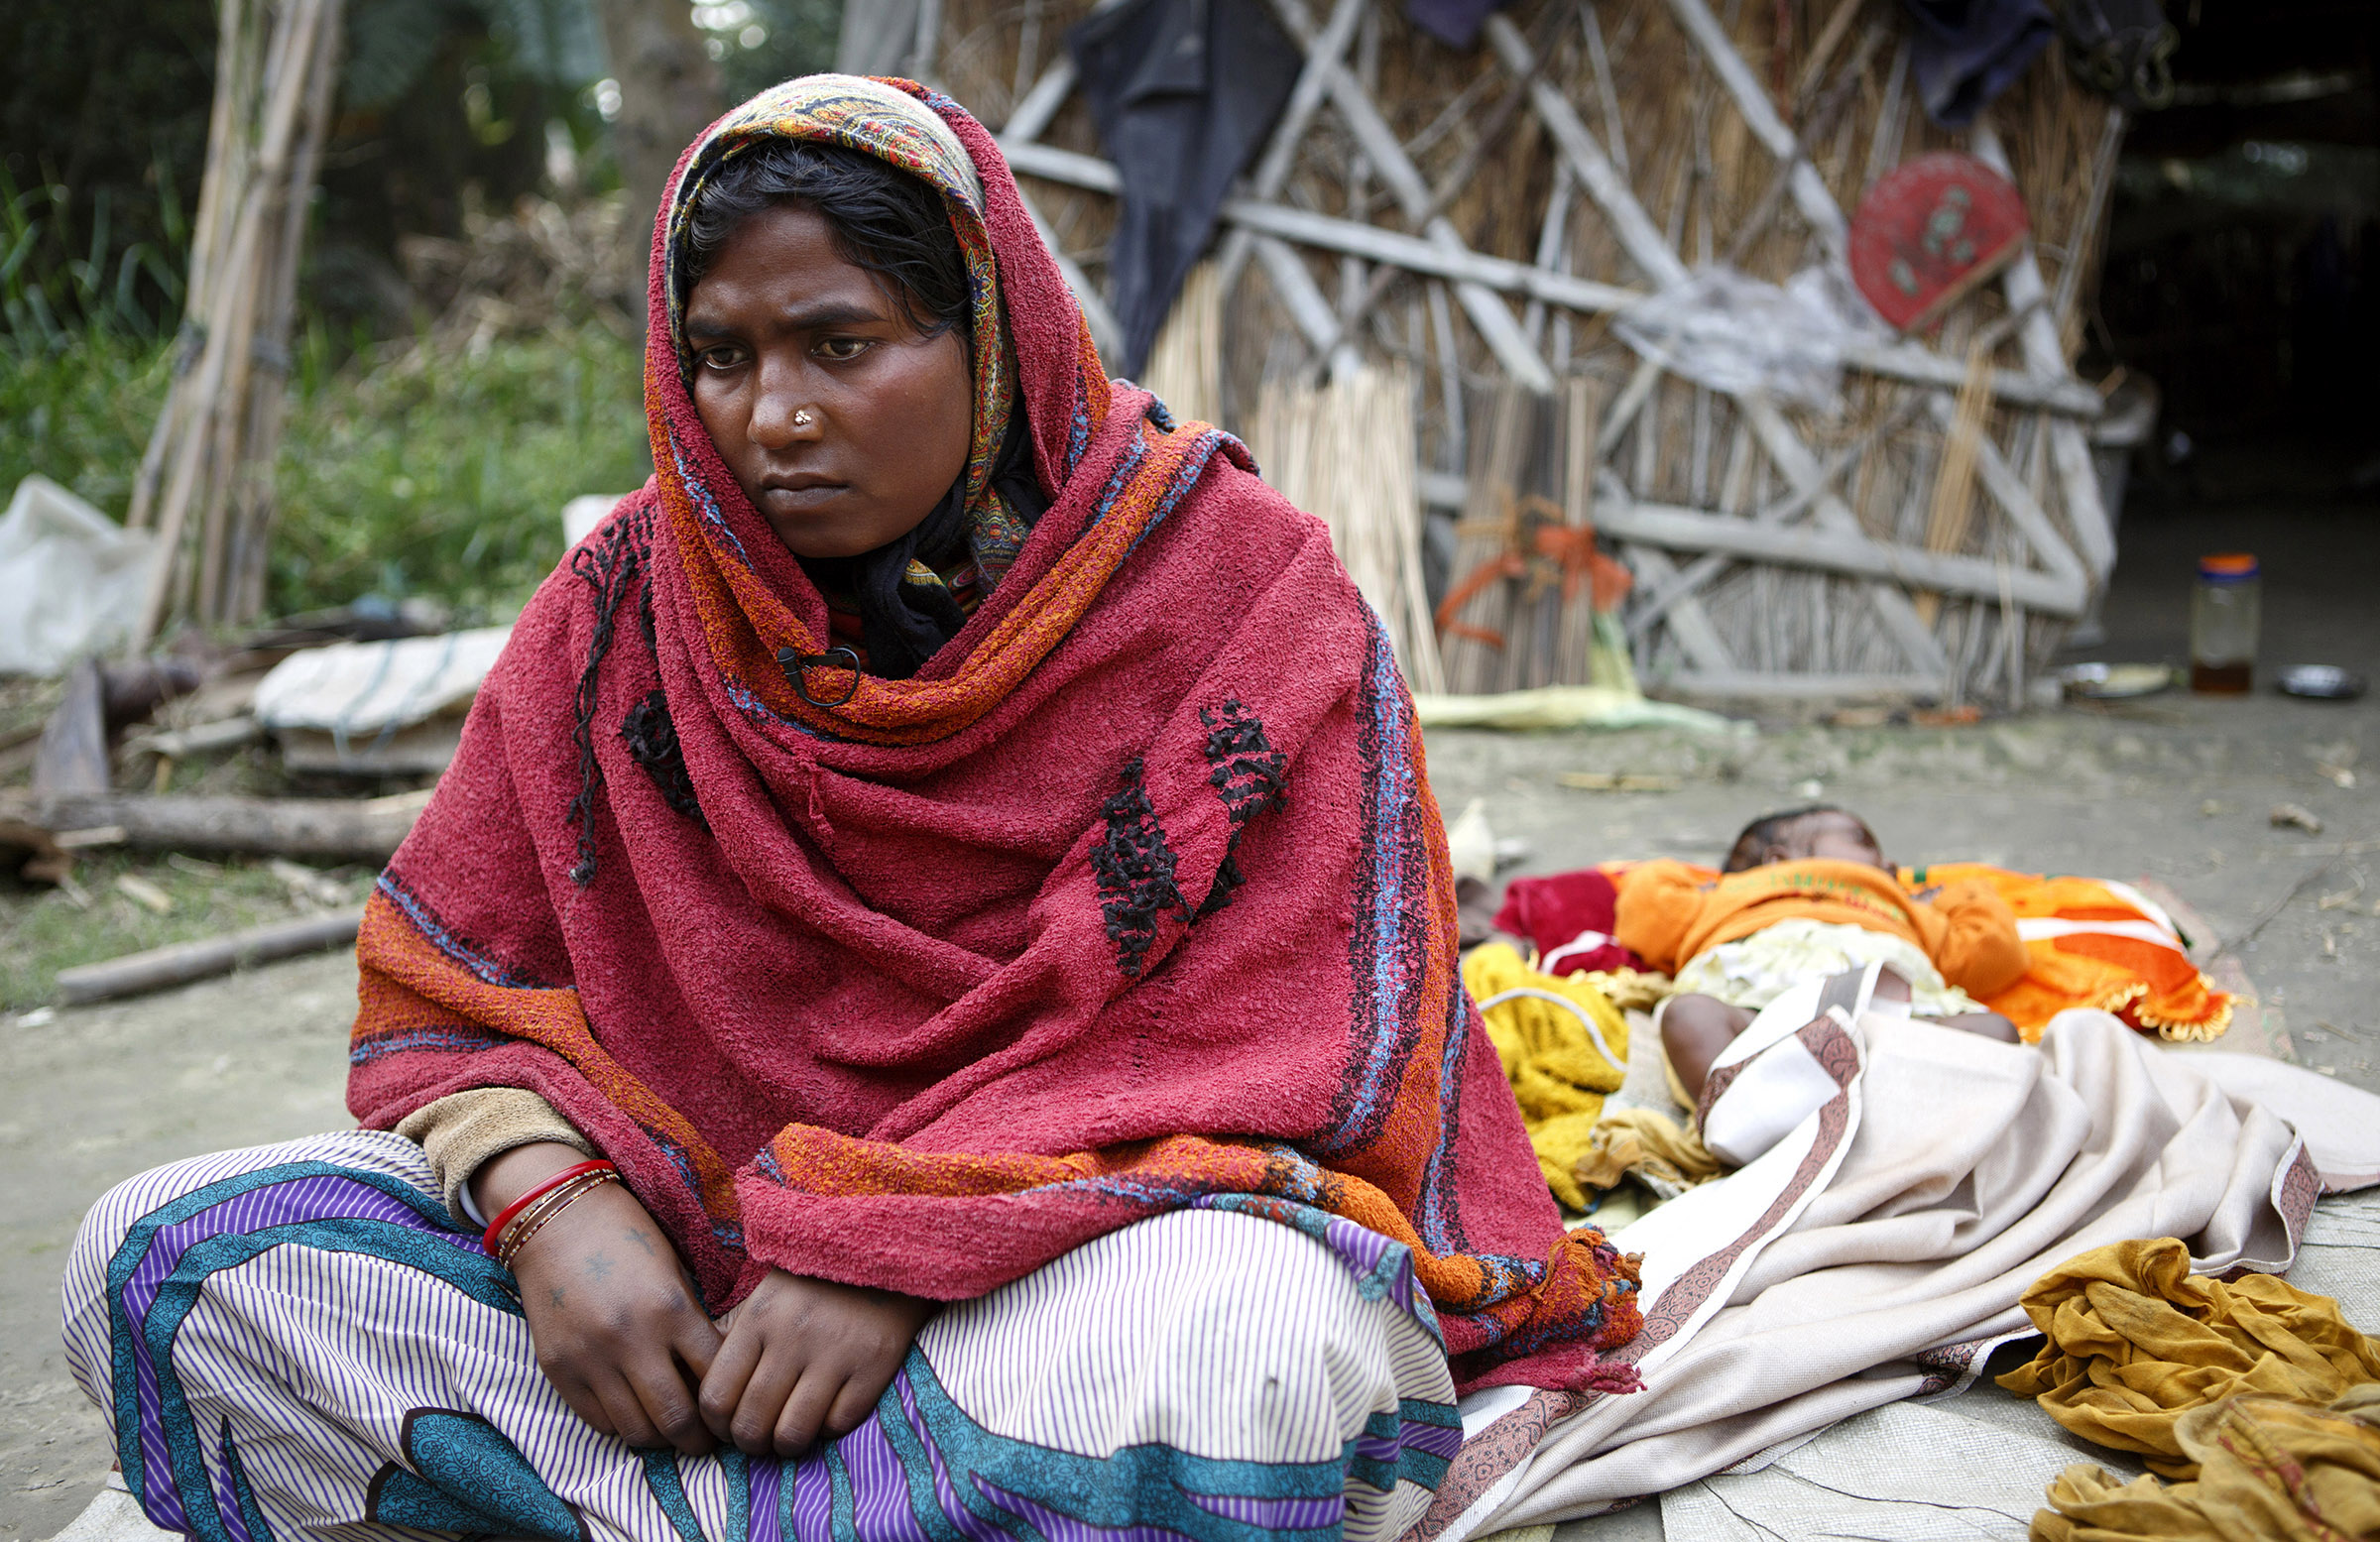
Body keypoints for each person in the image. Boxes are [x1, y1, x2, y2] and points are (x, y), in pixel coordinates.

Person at [60, 76, 1642, 1542]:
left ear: (994, 334)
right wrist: (546, 1198)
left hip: (1071, 1262)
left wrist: (901, 1237)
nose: (774, 415)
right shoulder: (629, 608)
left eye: (841, 342)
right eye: (725, 356)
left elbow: (1300, 1050)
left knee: (1241, 1338)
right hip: (699, 1286)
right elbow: (458, 981)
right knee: (166, 1254)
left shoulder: (1238, 597)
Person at [1615, 804, 2027, 1101]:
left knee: (1995, 1033)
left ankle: (1888, 1120)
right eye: (1864, 842)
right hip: (1763, 1026)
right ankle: (1748, 1119)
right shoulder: (1733, 895)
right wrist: (1713, 886)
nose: (1891, 863)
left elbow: (1994, 950)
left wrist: (1954, 895)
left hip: (1893, 1026)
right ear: (1778, 860)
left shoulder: (1904, 909)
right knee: (1689, 1016)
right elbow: (1644, 910)